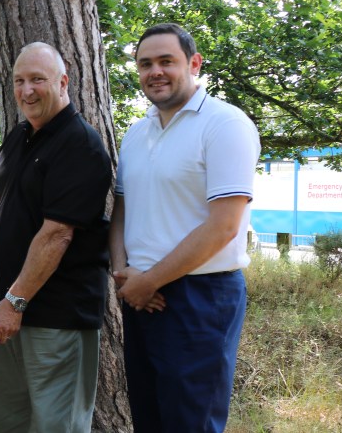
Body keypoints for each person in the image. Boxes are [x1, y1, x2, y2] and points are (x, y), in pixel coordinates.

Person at [110, 23, 260, 433]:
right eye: (145, 64)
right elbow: (122, 209)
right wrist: (124, 273)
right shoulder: (136, 133)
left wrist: (148, 281)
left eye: (166, 61)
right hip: (140, 293)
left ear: (193, 64)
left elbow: (223, 227)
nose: (155, 72)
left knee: (190, 422)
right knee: (150, 417)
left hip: (201, 299)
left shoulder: (225, 124)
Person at [0, 42, 112, 432]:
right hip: (9, 313)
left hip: (54, 317)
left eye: (38, 79)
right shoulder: (20, 135)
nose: (27, 90)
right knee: (8, 423)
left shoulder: (79, 145)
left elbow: (57, 235)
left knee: (55, 425)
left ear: (63, 82)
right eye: (19, 81)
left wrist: (14, 302)